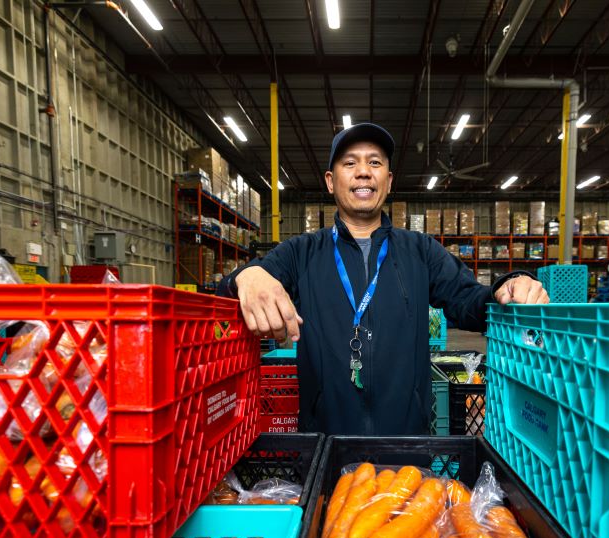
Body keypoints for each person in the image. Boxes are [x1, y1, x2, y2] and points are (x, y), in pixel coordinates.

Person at [219, 122, 548, 436]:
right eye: (351, 163)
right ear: (331, 181)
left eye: (374, 162)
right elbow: (227, 294)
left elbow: (468, 301)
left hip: (407, 448)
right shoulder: (302, 252)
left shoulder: (421, 251)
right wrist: (247, 277)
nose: (363, 171)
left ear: (388, 181)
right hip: (326, 445)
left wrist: (509, 285)